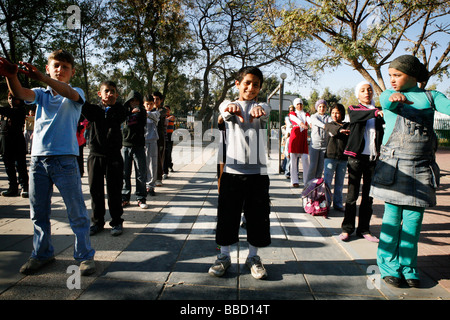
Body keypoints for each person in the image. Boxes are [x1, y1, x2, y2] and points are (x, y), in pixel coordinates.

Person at [0, 50, 96, 275]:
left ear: (72, 72)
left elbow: (69, 93)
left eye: (65, 67)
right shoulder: (41, 94)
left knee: (76, 211)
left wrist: (43, 79)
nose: (60, 70)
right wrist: (10, 75)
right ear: (48, 67)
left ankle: (84, 256)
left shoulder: (75, 93)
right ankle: (42, 253)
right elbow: (20, 93)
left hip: (65, 160)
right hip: (38, 161)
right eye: (56, 65)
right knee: (38, 212)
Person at [370, 55, 450, 288]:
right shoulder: (388, 94)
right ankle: (388, 266)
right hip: (396, 168)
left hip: (422, 168)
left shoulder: (432, 96)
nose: (392, 80)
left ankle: (409, 267)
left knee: (413, 222)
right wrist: (394, 98)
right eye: (391, 75)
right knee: (392, 220)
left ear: (413, 76)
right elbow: (387, 102)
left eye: (398, 75)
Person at [208, 66, 271, 280]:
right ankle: (223, 257)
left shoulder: (263, 107)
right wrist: (230, 106)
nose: (251, 87)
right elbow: (223, 107)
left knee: (257, 217)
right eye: (247, 83)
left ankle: (253, 257)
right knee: (227, 216)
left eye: (256, 84)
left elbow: (265, 109)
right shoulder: (229, 105)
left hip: (258, 174)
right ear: (238, 84)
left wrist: (259, 108)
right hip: (232, 172)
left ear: (260, 88)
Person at [340, 81, 384, 243]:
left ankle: (364, 229)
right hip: (356, 158)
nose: (367, 93)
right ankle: (347, 229)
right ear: (358, 94)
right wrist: (375, 112)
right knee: (352, 196)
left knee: (369, 197)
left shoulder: (378, 111)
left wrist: (379, 112)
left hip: (373, 159)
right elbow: (357, 116)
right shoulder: (354, 109)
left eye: (370, 90)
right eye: (363, 90)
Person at [82, 80, 127, 236]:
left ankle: (116, 222)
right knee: (96, 190)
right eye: (106, 91)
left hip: (114, 155)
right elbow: (85, 107)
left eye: (113, 91)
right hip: (95, 155)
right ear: (99, 94)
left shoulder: (120, 110)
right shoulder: (94, 110)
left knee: (115, 190)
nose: (110, 94)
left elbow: (112, 117)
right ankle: (97, 222)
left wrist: (105, 109)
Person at [121, 90, 148, 209]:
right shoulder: (124, 112)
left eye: (136, 100)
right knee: (125, 173)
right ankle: (125, 197)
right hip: (126, 146)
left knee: (140, 173)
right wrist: (128, 113)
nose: (134, 103)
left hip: (139, 146)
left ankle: (141, 197)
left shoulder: (142, 111)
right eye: (132, 100)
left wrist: (137, 112)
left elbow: (141, 119)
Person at [0, 92, 29, 197]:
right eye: (9, 98)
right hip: (5, 143)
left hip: (17, 141)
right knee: (8, 166)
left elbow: (8, 111)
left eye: (14, 98)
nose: (11, 100)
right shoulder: (6, 112)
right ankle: (12, 187)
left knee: (20, 165)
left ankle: (25, 187)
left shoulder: (20, 110)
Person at [323, 104, 350, 211]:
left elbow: (349, 130)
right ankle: (326, 203)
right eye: (333, 112)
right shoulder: (329, 125)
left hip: (343, 159)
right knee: (327, 182)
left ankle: (338, 204)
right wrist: (340, 131)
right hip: (330, 157)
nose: (335, 115)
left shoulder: (347, 125)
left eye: (337, 112)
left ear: (342, 114)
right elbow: (331, 129)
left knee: (339, 183)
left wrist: (342, 131)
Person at [306, 99, 330, 183]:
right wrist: (326, 126)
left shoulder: (328, 117)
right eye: (320, 106)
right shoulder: (313, 116)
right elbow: (319, 123)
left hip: (324, 145)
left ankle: (316, 188)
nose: (322, 108)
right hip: (315, 145)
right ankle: (307, 186)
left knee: (320, 168)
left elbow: (331, 124)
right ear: (317, 107)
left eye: (324, 107)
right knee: (313, 167)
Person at [287, 99, 310, 187]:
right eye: (297, 104)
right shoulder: (292, 114)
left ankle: (306, 181)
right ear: (295, 105)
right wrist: (301, 124)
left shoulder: (306, 114)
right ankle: (294, 181)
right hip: (295, 137)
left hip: (303, 138)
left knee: (305, 159)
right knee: (293, 160)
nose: (299, 106)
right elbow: (295, 119)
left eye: (300, 104)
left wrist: (311, 124)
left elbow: (309, 120)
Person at [143, 94, 160, 197]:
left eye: (151, 104)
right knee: (144, 163)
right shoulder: (141, 113)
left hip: (153, 141)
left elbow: (153, 116)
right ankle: (145, 185)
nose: (149, 106)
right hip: (143, 141)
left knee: (153, 163)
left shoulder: (156, 113)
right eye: (147, 104)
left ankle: (151, 186)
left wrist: (146, 113)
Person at [153, 91, 166, 187]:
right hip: (149, 136)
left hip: (160, 136)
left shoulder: (163, 110)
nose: (155, 101)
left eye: (157, 99)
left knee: (159, 157)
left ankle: (158, 178)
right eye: (153, 98)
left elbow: (157, 114)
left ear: (161, 100)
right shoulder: (149, 109)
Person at [163, 105, 175, 177]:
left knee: (169, 152)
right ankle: (165, 167)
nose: (166, 111)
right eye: (165, 110)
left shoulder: (172, 116)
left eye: (167, 110)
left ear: (170, 110)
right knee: (165, 152)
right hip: (164, 135)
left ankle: (170, 165)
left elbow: (171, 118)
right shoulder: (162, 117)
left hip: (170, 135)